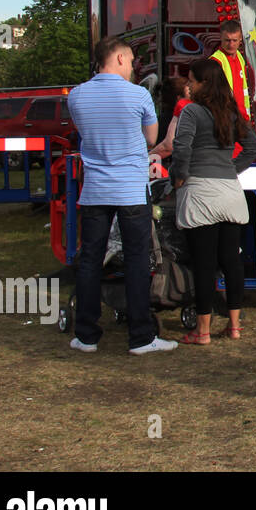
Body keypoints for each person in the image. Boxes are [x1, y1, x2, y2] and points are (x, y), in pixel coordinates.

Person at [66, 37, 179, 354]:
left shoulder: (77, 96)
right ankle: (141, 336)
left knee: (90, 260)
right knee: (137, 260)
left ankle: (86, 334)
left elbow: (84, 132)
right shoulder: (139, 95)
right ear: (117, 59)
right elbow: (151, 138)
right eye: (130, 61)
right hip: (130, 188)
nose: (133, 68)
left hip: (95, 191)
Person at [171, 58, 256, 344]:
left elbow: (181, 148)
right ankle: (234, 325)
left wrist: (179, 177)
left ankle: (203, 330)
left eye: (192, 80)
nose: (188, 85)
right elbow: (255, 147)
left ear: (204, 83)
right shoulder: (231, 112)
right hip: (230, 192)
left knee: (204, 263)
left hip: (200, 192)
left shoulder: (192, 113)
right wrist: (232, 168)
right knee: (231, 260)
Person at [210, 20, 252, 125]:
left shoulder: (239, 57)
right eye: (227, 40)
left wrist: (247, 116)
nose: (231, 44)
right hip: (226, 119)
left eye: (234, 40)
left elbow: (243, 91)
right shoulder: (215, 61)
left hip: (242, 118)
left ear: (240, 39)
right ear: (221, 38)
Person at [151, 76, 191, 161]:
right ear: (179, 98)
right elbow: (168, 146)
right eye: (189, 91)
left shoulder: (159, 120)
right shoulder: (183, 117)